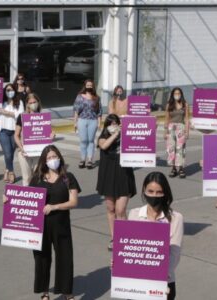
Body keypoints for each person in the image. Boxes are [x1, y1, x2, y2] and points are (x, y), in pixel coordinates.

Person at [22, 145, 79, 300]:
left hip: (61, 224)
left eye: (54, 157)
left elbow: (74, 202)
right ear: (43, 161)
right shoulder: (37, 179)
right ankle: (44, 292)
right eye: (48, 158)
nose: (52, 160)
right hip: (40, 226)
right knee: (41, 258)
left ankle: (67, 292)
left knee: (65, 257)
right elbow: (25, 199)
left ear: (59, 157)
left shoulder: (68, 177)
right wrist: (8, 200)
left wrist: (54, 207)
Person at [128, 172, 184, 300]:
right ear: (144, 190)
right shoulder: (134, 214)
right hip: (136, 282)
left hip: (163, 282)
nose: (154, 195)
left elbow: (174, 254)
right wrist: (119, 263)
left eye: (159, 192)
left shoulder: (176, 218)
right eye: (151, 191)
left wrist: (157, 276)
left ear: (165, 193)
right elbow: (129, 248)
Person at [96, 114, 136, 250]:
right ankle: (114, 237)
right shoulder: (102, 137)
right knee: (111, 208)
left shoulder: (125, 135)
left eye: (115, 123)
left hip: (123, 174)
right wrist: (115, 134)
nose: (113, 126)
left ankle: (123, 237)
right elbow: (104, 146)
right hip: (108, 175)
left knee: (120, 209)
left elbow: (141, 141)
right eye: (110, 124)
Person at [14, 93, 49, 186]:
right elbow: (16, 135)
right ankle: (27, 198)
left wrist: (52, 136)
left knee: (38, 176)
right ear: (27, 104)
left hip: (39, 152)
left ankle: (38, 197)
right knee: (26, 178)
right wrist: (21, 148)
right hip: (24, 152)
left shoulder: (43, 117)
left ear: (38, 102)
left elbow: (47, 134)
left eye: (35, 102)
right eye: (30, 102)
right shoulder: (22, 117)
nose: (33, 104)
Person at [72, 79, 102, 169]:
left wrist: (99, 123)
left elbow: (99, 111)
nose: (89, 87)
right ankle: (82, 159)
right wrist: (75, 123)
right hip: (82, 120)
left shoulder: (96, 97)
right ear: (85, 86)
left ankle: (90, 160)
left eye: (91, 85)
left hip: (93, 121)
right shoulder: (80, 96)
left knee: (91, 141)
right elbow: (76, 110)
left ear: (93, 86)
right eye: (88, 85)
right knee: (83, 140)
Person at [164, 87, 190, 179]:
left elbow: (187, 118)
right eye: (175, 93)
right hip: (171, 128)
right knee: (171, 148)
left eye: (179, 93)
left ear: (181, 94)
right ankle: (173, 168)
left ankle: (181, 168)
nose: (177, 95)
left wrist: (187, 131)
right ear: (172, 95)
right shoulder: (169, 105)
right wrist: (165, 131)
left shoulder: (185, 104)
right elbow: (166, 118)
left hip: (181, 127)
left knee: (180, 149)